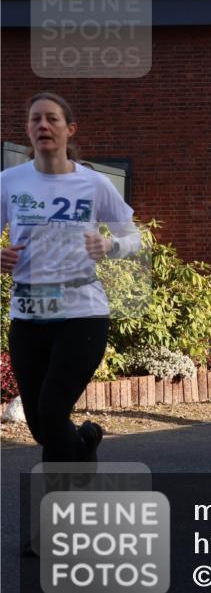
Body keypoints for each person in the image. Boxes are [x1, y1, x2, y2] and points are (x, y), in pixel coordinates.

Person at [1, 92, 141, 463]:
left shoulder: (93, 184)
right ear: (28, 130)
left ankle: (59, 509)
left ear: (69, 129)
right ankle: (86, 442)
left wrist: (110, 246)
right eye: (35, 120)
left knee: (50, 412)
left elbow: (134, 238)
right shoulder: (10, 181)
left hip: (82, 311)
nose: (42, 125)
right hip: (29, 311)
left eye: (51, 119)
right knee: (41, 427)